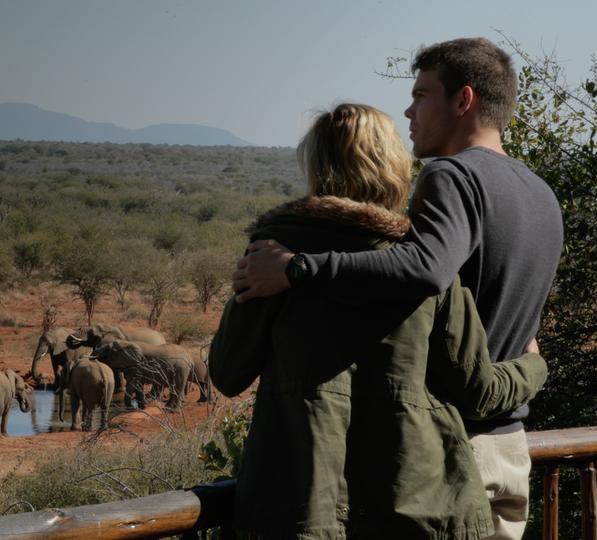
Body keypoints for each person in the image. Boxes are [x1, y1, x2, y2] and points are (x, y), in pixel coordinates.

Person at [231, 38, 563, 540]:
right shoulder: (541, 193)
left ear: (463, 100)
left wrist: (300, 267)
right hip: (511, 442)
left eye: (421, 95)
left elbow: (427, 270)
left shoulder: (451, 177)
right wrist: (533, 362)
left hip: (447, 454)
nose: (409, 111)